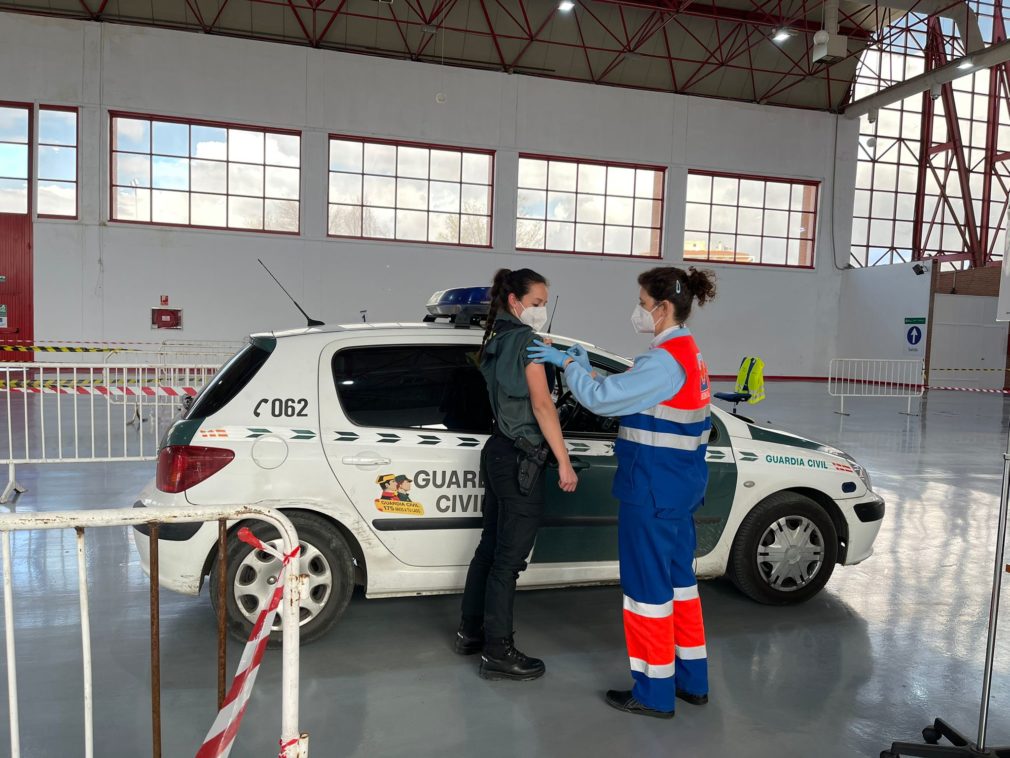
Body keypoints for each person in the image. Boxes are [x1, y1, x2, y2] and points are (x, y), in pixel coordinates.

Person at [529, 266, 716, 719]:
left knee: (647, 594)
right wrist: (586, 367)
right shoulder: (688, 354)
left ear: (662, 307)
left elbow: (599, 400)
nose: (638, 310)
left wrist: (570, 365)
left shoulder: (663, 361)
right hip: (678, 490)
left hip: (651, 492)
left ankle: (653, 693)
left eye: (641, 302)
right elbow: (636, 397)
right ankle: (692, 682)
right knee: (680, 587)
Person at [455, 267, 579, 681]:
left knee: (488, 549)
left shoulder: (496, 339)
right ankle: (498, 651)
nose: (542, 310)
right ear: (515, 302)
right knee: (508, 561)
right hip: (523, 456)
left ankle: (470, 633)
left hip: (497, 452)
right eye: (538, 303)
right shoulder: (524, 341)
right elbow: (543, 406)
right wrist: (563, 459)